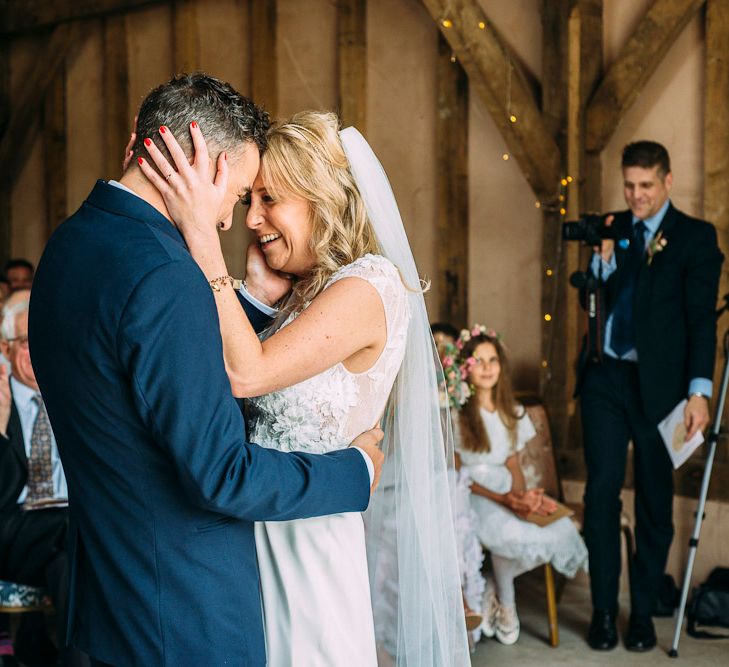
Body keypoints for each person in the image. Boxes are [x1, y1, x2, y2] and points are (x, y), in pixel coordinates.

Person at [28, 74, 385, 667]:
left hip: (114, 598)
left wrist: (250, 305)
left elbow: (151, 379)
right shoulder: (166, 274)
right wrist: (356, 472)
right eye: (241, 191)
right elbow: (221, 475)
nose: (231, 220)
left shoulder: (69, 245)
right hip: (186, 613)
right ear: (200, 163)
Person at [137, 110, 469, 665]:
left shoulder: (369, 283)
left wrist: (203, 242)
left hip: (309, 540)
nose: (254, 218)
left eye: (270, 199)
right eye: (252, 201)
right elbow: (224, 394)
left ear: (321, 199)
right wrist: (258, 297)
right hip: (253, 527)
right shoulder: (301, 292)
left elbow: (248, 373)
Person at [575, 141, 723, 652]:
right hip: (604, 379)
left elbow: (702, 321)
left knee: (656, 502)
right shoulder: (612, 227)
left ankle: (640, 612)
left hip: (660, 390)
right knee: (600, 493)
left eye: (645, 185)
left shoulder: (696, 239)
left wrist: (699, 393)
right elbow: (590, 300)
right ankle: (601, 613)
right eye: (629, 185)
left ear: (667, 181)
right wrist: (602, 265)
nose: (635, 196)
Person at [452, 325, 587, 645]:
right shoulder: (456, 414)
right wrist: (503, 499)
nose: (487, 367)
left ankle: (493, 590)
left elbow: (513, 463)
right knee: (505, 533)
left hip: (506, 488)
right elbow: (457, 472)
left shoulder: (511, 412)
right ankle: (507, 605)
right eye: (479, 360)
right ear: (465, 368)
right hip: (473, 493)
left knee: (555, 529)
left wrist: (523, 496)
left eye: (493, 359)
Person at [0, 292, 83, 667]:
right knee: (80, 533)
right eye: (30, 340)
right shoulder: (1, 400)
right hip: (13, 529)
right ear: (5, 347)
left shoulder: (75, 396)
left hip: (68, 534)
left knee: (70, 564)